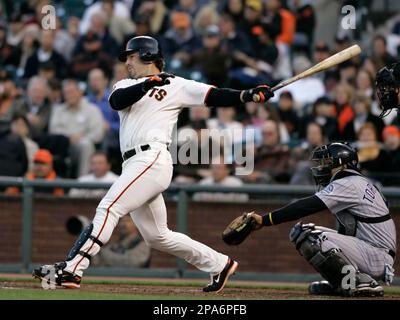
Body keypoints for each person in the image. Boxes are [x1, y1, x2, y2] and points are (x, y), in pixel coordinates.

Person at [33, 35, 274, 292]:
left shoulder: (175, 84)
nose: (127, 62)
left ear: (148, 56)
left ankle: (72, 269)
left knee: (109, 207)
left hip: (151, 158)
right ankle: (219, 264)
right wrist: (148, 84)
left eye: (132, 56)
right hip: (134, 164)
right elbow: (117, 102)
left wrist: (249, 95)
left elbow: (214, 95)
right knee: (157, 236)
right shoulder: (124, 84)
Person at [239, 142, 396, 297]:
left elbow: (306, 206)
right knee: (304, 232)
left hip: (376, 255)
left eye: (328, 162)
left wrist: (265, 220)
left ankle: (358, 282)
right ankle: (342, 283)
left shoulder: (348, 183)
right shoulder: (357, 181)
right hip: (373, 251)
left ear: (342, 165)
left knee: (309, 236)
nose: (322, 167)